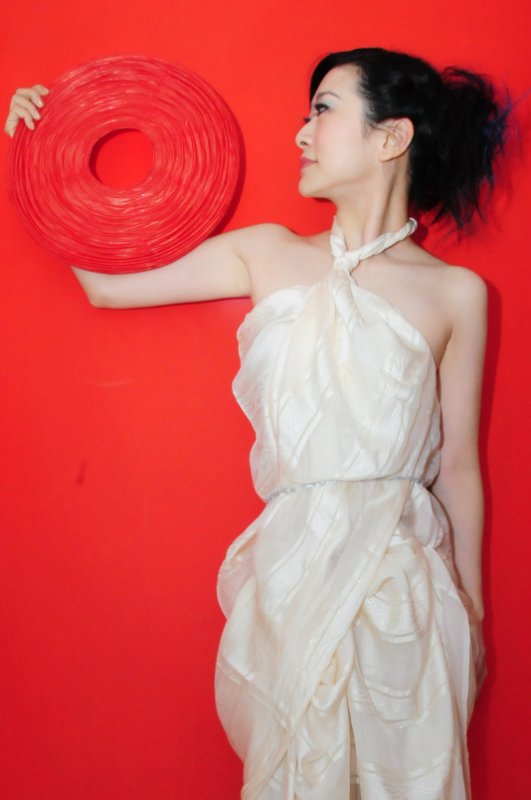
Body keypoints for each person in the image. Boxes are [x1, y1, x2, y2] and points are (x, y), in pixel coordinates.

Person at [5, 47, 509, 799]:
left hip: (402, 589)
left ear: (391, 136)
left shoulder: (456, 293)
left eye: (323, 110)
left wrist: (471, 613)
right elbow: (105, 287)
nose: (301, 134)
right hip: (292, 573)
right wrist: (41, 153)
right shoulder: (264, 253)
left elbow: (458, 468)